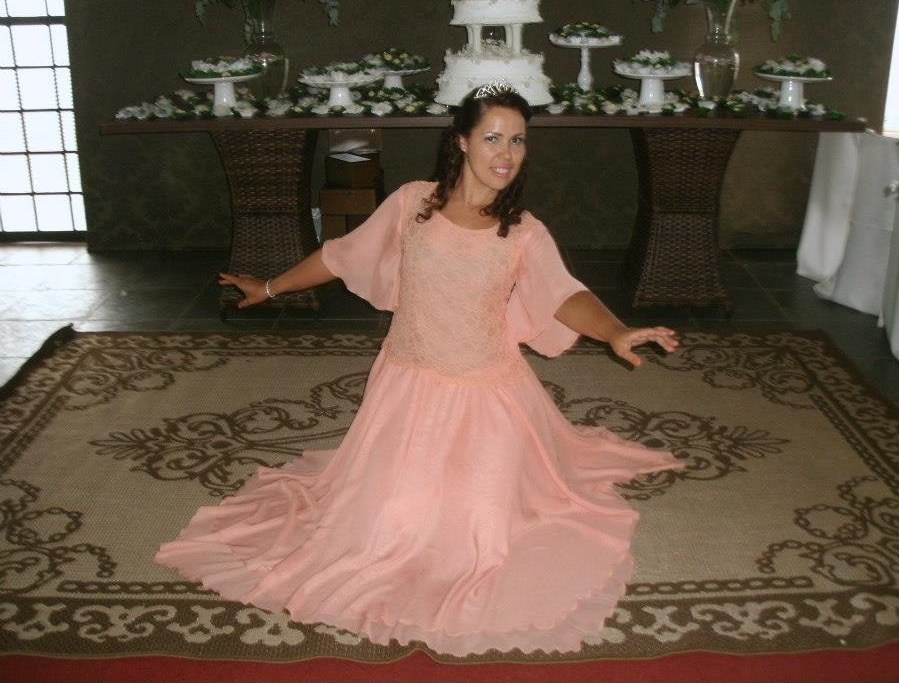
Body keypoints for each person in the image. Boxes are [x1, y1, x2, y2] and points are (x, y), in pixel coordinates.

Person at [155, 83, 685, 657]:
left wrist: (614, 330)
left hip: (489, 402)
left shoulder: (524, 231)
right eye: (492, 138)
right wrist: (269, 286)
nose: (506, 154)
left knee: (483, 538)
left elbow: (564, 293)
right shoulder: (413, 203)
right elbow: (342, 254)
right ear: (461, 142)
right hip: (407, 390)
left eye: (517, 141)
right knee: (386, 528)